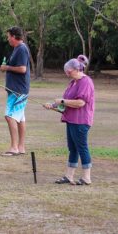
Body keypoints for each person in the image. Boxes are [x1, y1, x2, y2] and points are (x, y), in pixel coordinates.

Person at [45, 55, 95, 186]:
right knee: (72, 148)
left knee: (82, 147)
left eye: (69, 71)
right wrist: (52, 106)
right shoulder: (73, 83)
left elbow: (80, 103)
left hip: (81, 121)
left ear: (77, 69)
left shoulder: (86, 82)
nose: (67, 73)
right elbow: (65, 105)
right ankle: (69, 176)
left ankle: (86, 178)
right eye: (66, 71)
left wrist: (62, 101)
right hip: (71, 120)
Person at [0, 26, 31, 156]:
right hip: (17, 89)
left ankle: (14, 147)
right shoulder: (17, 49)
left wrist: (6, 67)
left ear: (13, 36)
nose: (8, 39)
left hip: (18, 90)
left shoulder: (21, 49)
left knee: (9, 116)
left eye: (8, 36)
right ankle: (21, 147)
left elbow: (22, 69)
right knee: (20, 118)